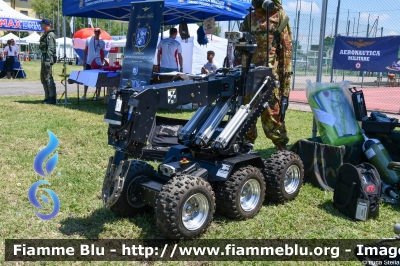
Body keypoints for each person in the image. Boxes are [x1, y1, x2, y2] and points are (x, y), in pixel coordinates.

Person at [240, 0, 293, 151]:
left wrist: (285, 91)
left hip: (269, 81)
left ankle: (283, 154)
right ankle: (246, 151)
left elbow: (286, 56)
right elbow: (241, 50)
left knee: (274, 122)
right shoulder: (249, 19)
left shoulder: (279, 17)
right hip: (249, 80)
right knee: (245, 121)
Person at [80, 27, 105, 101]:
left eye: (98, 31)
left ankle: (98, 95)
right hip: (89, 62)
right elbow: (85, 50)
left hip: (98, 63)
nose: (97, 32)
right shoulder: (88, 39)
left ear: (100, 33)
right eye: (95, 31)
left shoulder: (102, 42)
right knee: (86, 79)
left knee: (99, 79)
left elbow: (102, 53)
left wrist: (102, 61)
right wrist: (84, 60)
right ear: (94, 32)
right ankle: (84, 95)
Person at [39, 18, 57, 104]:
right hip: (44, 57)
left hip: (47, 58)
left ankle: (52, 97)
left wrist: (47, 60)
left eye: (42, 24)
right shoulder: (46, 34)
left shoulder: (50, 34)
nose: (40, 25)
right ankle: (47, 96)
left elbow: (51, 48)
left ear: (46, 24)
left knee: (48, 77)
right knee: (43, 78)